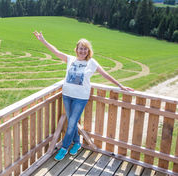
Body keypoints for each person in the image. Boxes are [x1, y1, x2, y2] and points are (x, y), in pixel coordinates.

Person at [33, 31, 134, 161]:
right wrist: (43, 40)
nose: (83, 51)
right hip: (67, 95)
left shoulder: (92, 63)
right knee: (72, 122)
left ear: (88, 51)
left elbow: (105, 75)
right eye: (81, 48)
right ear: (77, 49)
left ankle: (64, 148)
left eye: (85, 49)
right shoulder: (70, 59)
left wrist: (120, 85)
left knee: (72, 123)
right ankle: (77, 142)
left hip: (81, 98)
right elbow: (56, 51)